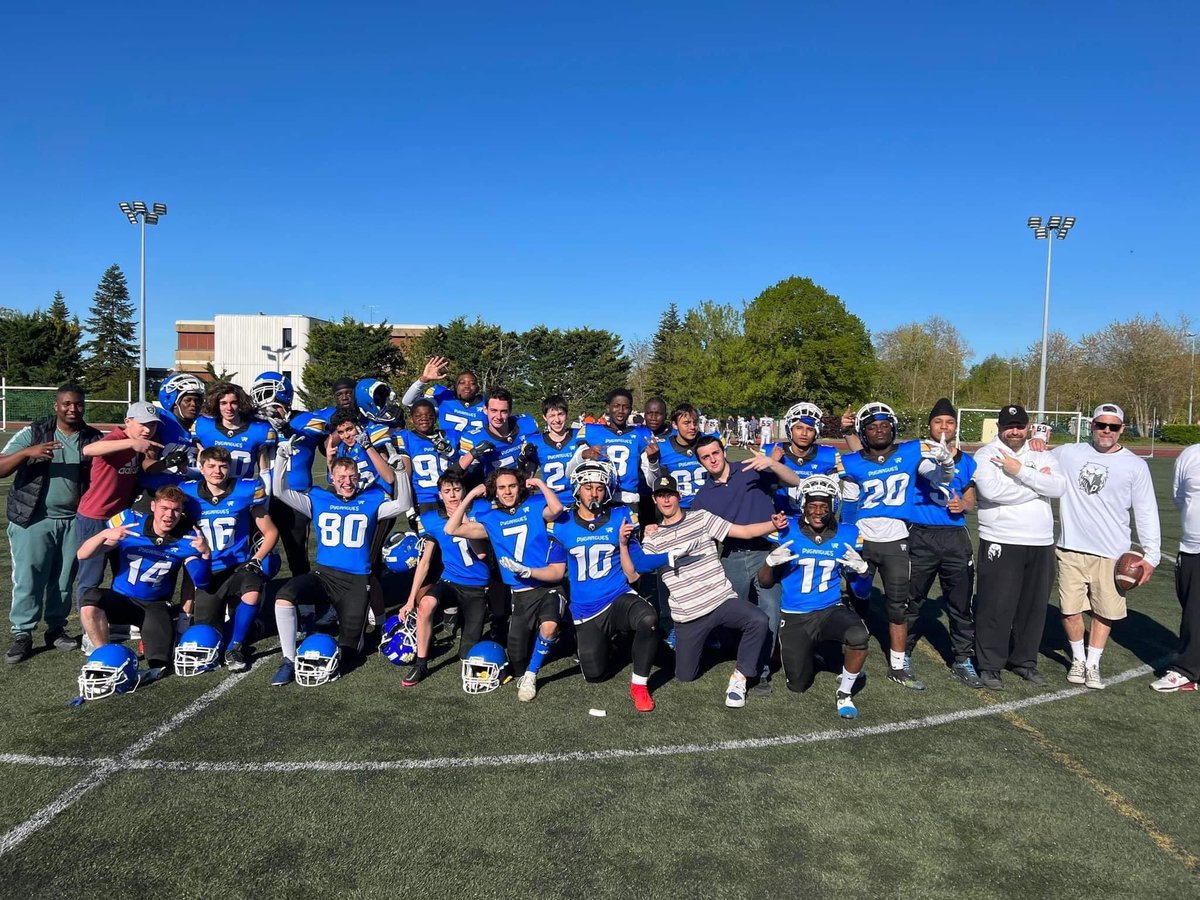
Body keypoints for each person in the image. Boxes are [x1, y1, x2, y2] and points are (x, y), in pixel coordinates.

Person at [269, 446, 413, 686]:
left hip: (356, 582)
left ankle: (347, 638)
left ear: (358, 477)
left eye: (352, 477)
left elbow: (402, 504)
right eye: (342, 478)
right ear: (332, 479)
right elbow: (280, 491)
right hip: (324, 576)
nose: (347, 482)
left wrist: (399, 474)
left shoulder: (371, 499)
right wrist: (282, 459)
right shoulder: (318, 497)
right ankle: (288, 660)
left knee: (351, 651)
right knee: (284, 595)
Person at [835, 402, 955, 690]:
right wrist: (846, 539)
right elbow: (849, 505)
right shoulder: (851, 462)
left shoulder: (911, 452)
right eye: (872, 427)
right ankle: (851, 653)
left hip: (896, 539)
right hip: (863, 538)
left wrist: (946, 465)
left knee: (898, 605)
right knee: (858, 597)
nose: (879, 431)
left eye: (884, 426)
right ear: (863, 432)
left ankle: (898, 665)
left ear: (893, 428)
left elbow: (940, 477)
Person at [641, 473, 785, 708]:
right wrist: (629, 541)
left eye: (670, 495)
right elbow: (637, 568)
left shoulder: (702, 518)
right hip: (688, 613)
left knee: (758, 620)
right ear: (655, 501)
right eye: (660, 496)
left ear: (679, 497)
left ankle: (739, 677)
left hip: (720, 600)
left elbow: (744, 531)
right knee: (685, 675)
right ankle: (700, 643)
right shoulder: (653, 537)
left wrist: (773, 524)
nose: (666, 500)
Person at [1054, 403, 1160, 689]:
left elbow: (1146, 511)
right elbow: (1038, 460)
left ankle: (1092, 664)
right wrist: (1040, 438)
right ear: (1091, 426)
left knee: (1104, 611)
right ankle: (1077, 658)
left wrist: (1152, 555)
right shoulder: (1069, 453)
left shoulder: (1135, 465)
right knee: (1069, 610)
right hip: (1071, 548)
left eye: (1113, 426)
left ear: (1121, 429)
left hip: (1112, 553)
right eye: (1101, 425)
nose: (1106, 431)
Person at [690, 433, 805, 693]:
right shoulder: (703, 497)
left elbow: (795, 480)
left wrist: (772, 464)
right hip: (731, 555)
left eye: (715, 453)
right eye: (705, 457)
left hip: (766, 553)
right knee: (729, 613)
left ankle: (759, 671)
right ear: (701, 463)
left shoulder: (750, 469)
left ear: (724, 451)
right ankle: (731, 647)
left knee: (769, 610)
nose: (712, 460)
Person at [446, 467, 566, 701]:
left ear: (520, 487)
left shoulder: (533, 505)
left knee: (548, 627)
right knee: (516, 656)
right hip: (520, 593)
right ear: (495, 491)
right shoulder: (490, 518)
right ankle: (528, 665)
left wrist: (540, 484)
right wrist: (470, 495)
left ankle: (532, 674)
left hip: (547, 584)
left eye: (512, 486)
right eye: (501, 487)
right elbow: (452, 528)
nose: (507, 491)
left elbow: (557, 508)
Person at [2, 384, 102, 663]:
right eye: (67, 404)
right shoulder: (35, 432)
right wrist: (26, 453)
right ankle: (22, 633)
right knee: (28, 577)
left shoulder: (92, 437)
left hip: (73, 520)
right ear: (56, 406)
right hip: (34, 519)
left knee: (64, 578)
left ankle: (56, 629)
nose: (73, 409)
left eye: (79, 404)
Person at [552, 460, 662, 711]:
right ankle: (617, 643)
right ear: (577, 490)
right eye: (588, 487)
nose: (594, 493)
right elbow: (556, 568)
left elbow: (637, 560)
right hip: (586, 608)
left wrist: (666, 551)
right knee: (594, 674)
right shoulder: (562, 522)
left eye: (600, 488)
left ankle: (640, 685)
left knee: (648, 619)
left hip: (617, 595)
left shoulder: (621, 515)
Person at [757, 475, 871, 718]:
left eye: (824, 505)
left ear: (834, 506)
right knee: (797, 685)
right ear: (803, 505)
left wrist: (862, 572)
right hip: (795, 614)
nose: (818, 511)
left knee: (859, 634)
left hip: (830, 609)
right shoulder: (785, 529)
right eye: (812, 505)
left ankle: (845, 693)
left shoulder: (849, 534)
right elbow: (764, 582)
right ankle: (813, 651)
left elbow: (862, 593)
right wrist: (769, 563)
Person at [972, 404, 1066, 690]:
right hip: (1001, 538)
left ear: (1027, 427)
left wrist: (1020, 472)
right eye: (1009, 426)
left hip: (1040, 541)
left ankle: (1025, 661)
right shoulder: (986, 455)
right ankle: (990, 665)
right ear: (1000, 427)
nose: (1015, 431)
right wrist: (1038, 484)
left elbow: (1059, 488)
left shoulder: (1041, 452)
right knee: (995, 606)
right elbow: (993, 492)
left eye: (1020, 426)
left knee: (1033, 607)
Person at [76, 485, 212, 675]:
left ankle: (158, 629)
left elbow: (201, 581)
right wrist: (104, 534)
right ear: (153, 506)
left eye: (176, 510)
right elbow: (83, 554)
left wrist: (206, 553)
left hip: (154, 606)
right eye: (165, 508)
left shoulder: (187, 538)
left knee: (160, 664)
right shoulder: (129, 522)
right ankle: (103, 654)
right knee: (90, 598)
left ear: (182, 512)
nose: (169, 515)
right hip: (122, 600)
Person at [904, 399, 983, 688]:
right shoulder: (918, 453)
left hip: (954, 537)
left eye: (949, 422)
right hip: (921, 533)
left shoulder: (968, 460)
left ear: (955, 426)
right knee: (912, 600)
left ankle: (962, 659)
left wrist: (964, 504)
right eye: (939, 422)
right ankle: (903, 653)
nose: (944, 427)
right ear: (930, 426)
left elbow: (971, 497)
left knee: (960, 602)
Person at [180, 446, 280, 671]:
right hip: (208, 569)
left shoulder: (245, 490)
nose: (217, 471)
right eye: (212, 466)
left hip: (238, 566)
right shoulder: (188, 494)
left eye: (223, 466)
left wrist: (257, 559)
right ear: (201, 468)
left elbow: (271, 531)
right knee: (209, 634)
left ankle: (235, 647)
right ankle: (251, 627)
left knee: (253, 587)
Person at [398, 469, 492, 685]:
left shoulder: (482, 510)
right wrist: (411, 599)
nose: (452, 495)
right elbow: (425, 562)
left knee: (467, 654)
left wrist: (465, 518)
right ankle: (421, 664)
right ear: (440, 495)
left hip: (478, 586)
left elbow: (481, 553)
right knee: (426, 604)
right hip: (450, 580)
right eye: (447, 491)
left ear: (464, 491)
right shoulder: (432, 519)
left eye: (457, 490)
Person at [74, 402, 167, 617]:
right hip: (95, 515)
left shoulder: (143, 443)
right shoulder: (117, 439)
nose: (148, 430)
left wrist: (168, 463)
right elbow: (89, 449)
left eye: (152, 426)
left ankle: (122, 619)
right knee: (91, 574)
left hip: (121, 517)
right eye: (143, 424)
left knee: (124, 571)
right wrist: (130, 443)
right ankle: (89, 625)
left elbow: (149, 468)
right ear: (128, 422)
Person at [252, 371, 325, 577]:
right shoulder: (257, 424)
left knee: (297, 555)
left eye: (265, 390)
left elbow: (316, 431)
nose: (260, 396)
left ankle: (306, 603)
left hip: (295, 496)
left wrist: (286, 428)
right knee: (257, 553)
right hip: (264, 497)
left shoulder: (305, 419)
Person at [1153, 441, 1200, 691]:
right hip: (1193, 546)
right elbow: (1179, 497)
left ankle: (1185, 669)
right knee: (1191, 608)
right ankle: (1190, 669)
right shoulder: (1191, 455)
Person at [570, 388, 659, 516]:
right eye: (616, 406)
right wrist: (582, 455)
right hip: (597, 498)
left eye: (625, 407)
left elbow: (653, 482)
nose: (621, 411)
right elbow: (570, 472)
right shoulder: (591, 431)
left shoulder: (641, 434)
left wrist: (653, 461)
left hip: (628, 501)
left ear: (630, 409)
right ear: (608, 407)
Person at [763, 402, 860, 512]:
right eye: (799, 428)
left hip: (815, 523)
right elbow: (755, 489)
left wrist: (846, 431)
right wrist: (771, 463)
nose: (804, 433)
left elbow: (863, 455)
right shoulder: (771, 451)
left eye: (810, 429)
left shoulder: (828, 456)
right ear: (790, 429)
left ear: (816, 432)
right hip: (781, 521)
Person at [192, 382, 276, 481]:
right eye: (223, 403)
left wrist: (266, 495)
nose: (229, 408)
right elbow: (200, 468)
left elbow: (264, 471)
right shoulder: (204, 426)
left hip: (242, 490)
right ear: (216, 404)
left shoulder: (258, 430)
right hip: (211, 490)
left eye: (233, 403)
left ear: (240, 403)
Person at [522, 395, 580, 509]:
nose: (557, 420)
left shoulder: (579, 436)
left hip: (578, 501)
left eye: (560, 414)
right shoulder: (535, 442)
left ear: (566, 415)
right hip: (550, 503)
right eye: (552, 415)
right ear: (545, 417)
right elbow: (529, 473)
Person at [403, 356, 486, 434]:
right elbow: (407, 401)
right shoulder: (444, 399)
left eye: (472, 383)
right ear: (455, 386)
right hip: (446, 448)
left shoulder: (487, 404)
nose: (467, 386)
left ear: (477, 388)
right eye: (462, 382)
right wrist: (423, 380)